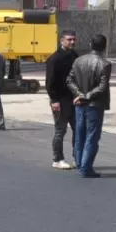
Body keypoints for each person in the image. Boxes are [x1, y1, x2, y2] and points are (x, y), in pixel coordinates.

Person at [67, 33, 111, 178]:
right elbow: (102, 86)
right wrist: (85, 96)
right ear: (104, 47)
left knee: (80, 133)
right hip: (94, 104)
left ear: (91, 45)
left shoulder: (79, 60)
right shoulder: (105, 64)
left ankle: (80, 163)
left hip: (80, 103)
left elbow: (70, 80)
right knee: (92, 135)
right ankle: (86, 167)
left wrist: (79, 95)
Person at [45, 29, 78, 169]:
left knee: (78, 129)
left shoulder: (75, 56)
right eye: (69, 39)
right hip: (60, 100)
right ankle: (57, 158)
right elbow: (50, 82)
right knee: (60, 130)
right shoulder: (55, 59)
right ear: (62, 41)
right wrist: (54, 100)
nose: (72, 42)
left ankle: (77, 157)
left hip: (74, 100)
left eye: (73, 39)